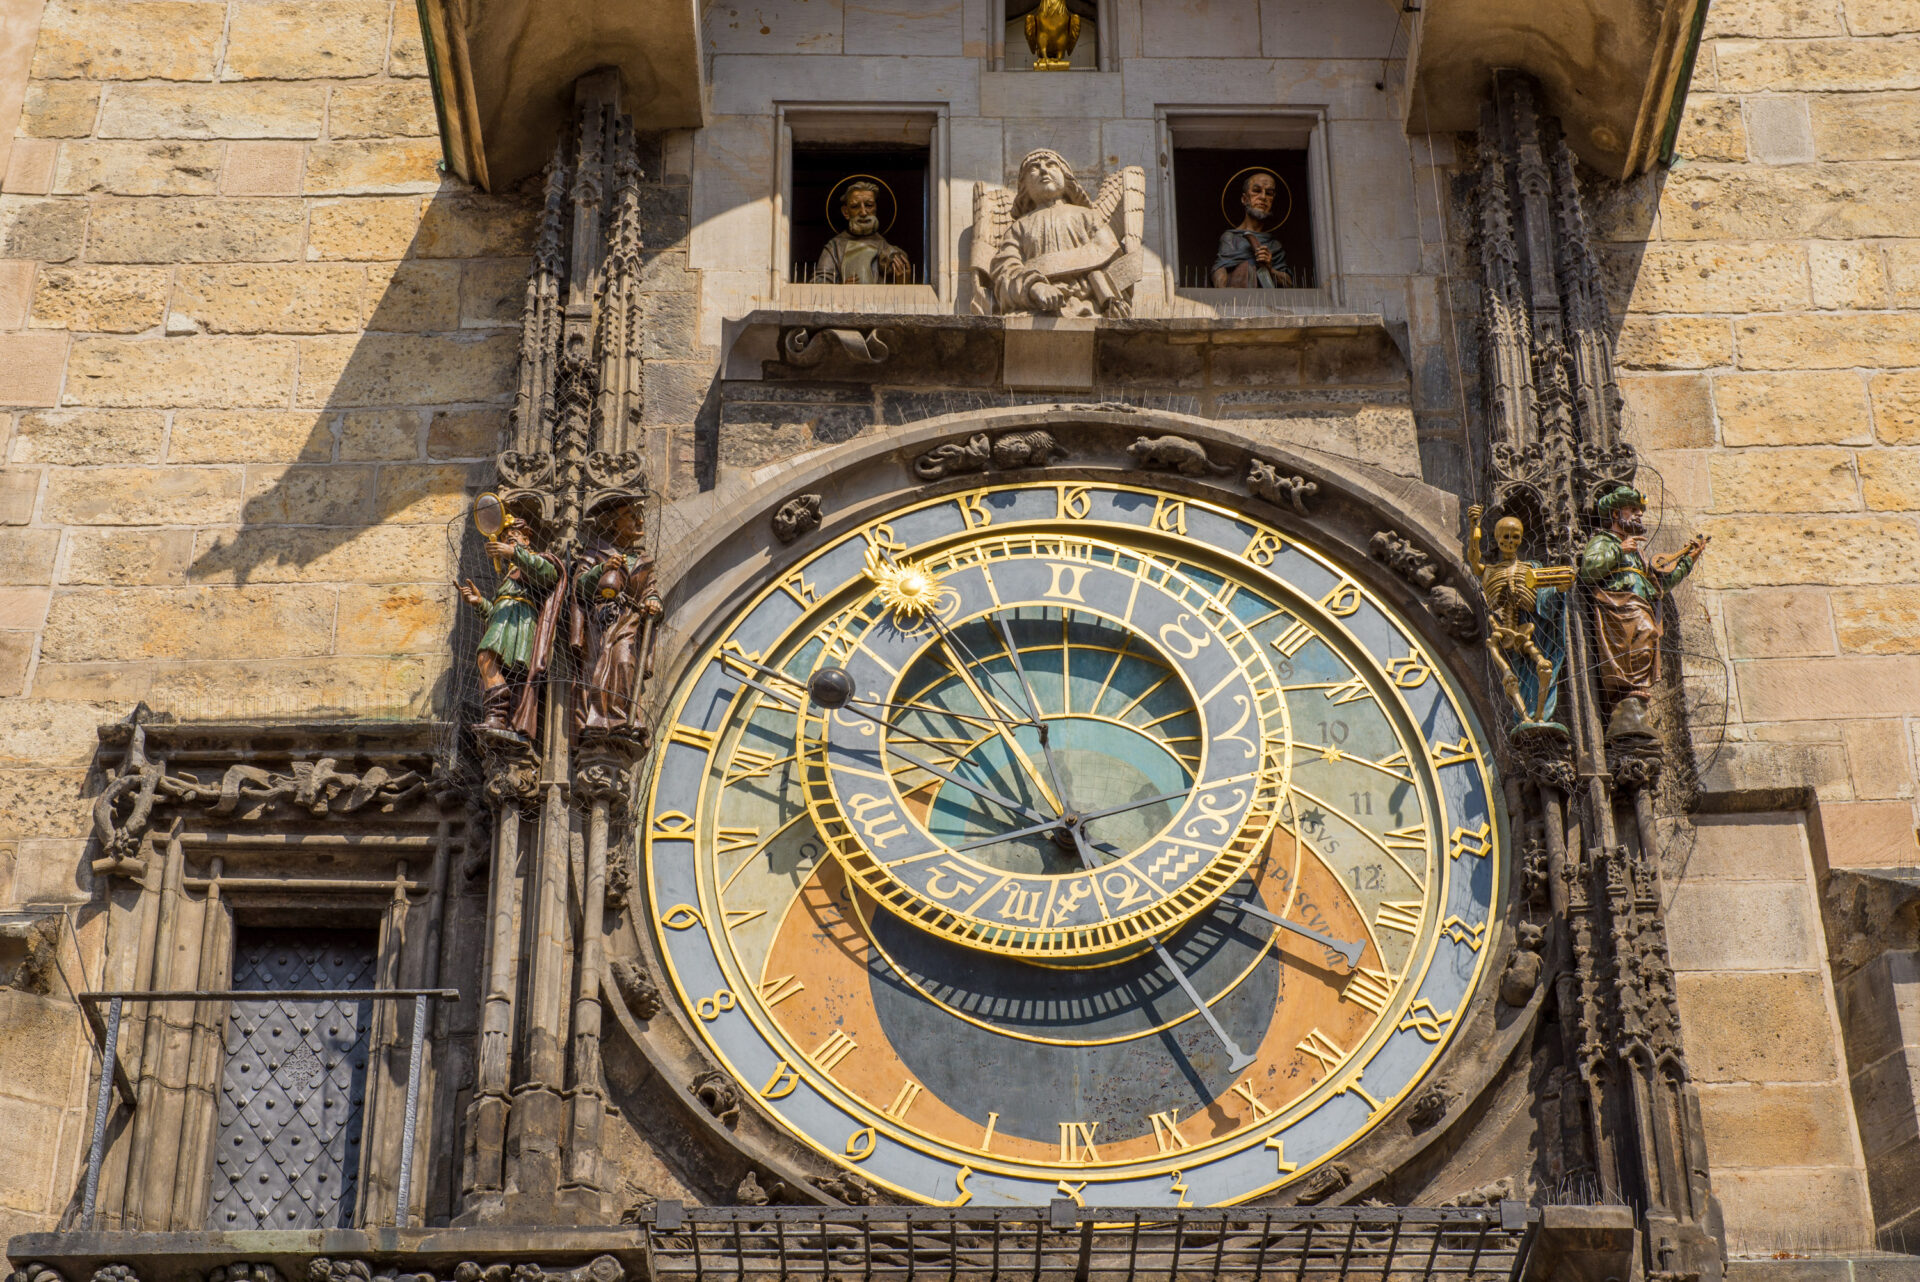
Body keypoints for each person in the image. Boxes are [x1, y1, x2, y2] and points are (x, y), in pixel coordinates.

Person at [1578, 483, 1709, 741]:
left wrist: (1688, 560)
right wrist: (1619, 550)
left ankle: (1633, 708)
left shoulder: (1638, 551)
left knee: (1647, 639)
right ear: (1615, 514)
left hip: (1640, 605)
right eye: (1632, 509)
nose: (1638, 514)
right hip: (1619, 607)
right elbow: (1589, 570)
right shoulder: (1604, 540)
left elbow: (1658, 586)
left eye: (1640, 510)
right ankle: (1626, 708)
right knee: (1642, 636)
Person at [987, 148, 1132, 317]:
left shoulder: (1088, 217)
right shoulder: (1018, 227)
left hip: (1088, 308)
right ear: (1024, 185)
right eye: (1034, 167)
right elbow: (1005, 272)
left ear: (1066, 177)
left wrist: (1110, 300)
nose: (1043, 170)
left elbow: (1111, 259)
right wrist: (1034, 287)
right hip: (1036, 311)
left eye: (1051, 165)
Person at [458, 517, 562, 743]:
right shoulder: (509, 574)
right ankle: (498, 716)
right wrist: (480, 602)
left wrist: (514, 553)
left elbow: (549, 575)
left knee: (487, 657)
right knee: (489, 661)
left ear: (527, 539)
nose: (508, 540)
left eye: (513, 537)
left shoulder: (536, 560)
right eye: (505, 539)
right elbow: (497, 611)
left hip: (519, 623)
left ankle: (498, 712)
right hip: (505, 621)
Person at [571, 502, 663, 743]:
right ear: (613, 523)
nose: (640, 521)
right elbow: (580, 586)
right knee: (598, 665)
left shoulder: (643, 560)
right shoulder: (596, 552)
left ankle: (621, 717)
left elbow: (650, 590)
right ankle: (597, 719)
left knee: (624, 663)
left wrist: (653, 602)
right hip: (601, 619)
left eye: (639, 516)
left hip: (629, 620)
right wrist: (601, 568)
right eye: (631, 515)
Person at [815, 180, 912, 285]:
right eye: (855, 206)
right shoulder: (834, 247)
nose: (863, 212)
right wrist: (842, 288)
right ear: (846, 212)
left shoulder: (886, 249)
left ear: (875, 208)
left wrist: (902, 282)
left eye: (869, 205)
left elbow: (900, 288)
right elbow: (818, 284)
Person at [1211, 169, 1292, 289]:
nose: (1263, 197)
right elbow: (1219, 269)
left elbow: (1288, 283)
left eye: (1269, 193)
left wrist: (1269, 268)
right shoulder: (1230, 238)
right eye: (1256, 191)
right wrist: (1224, 292)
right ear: (1245, 199)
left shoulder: (1273, 245)